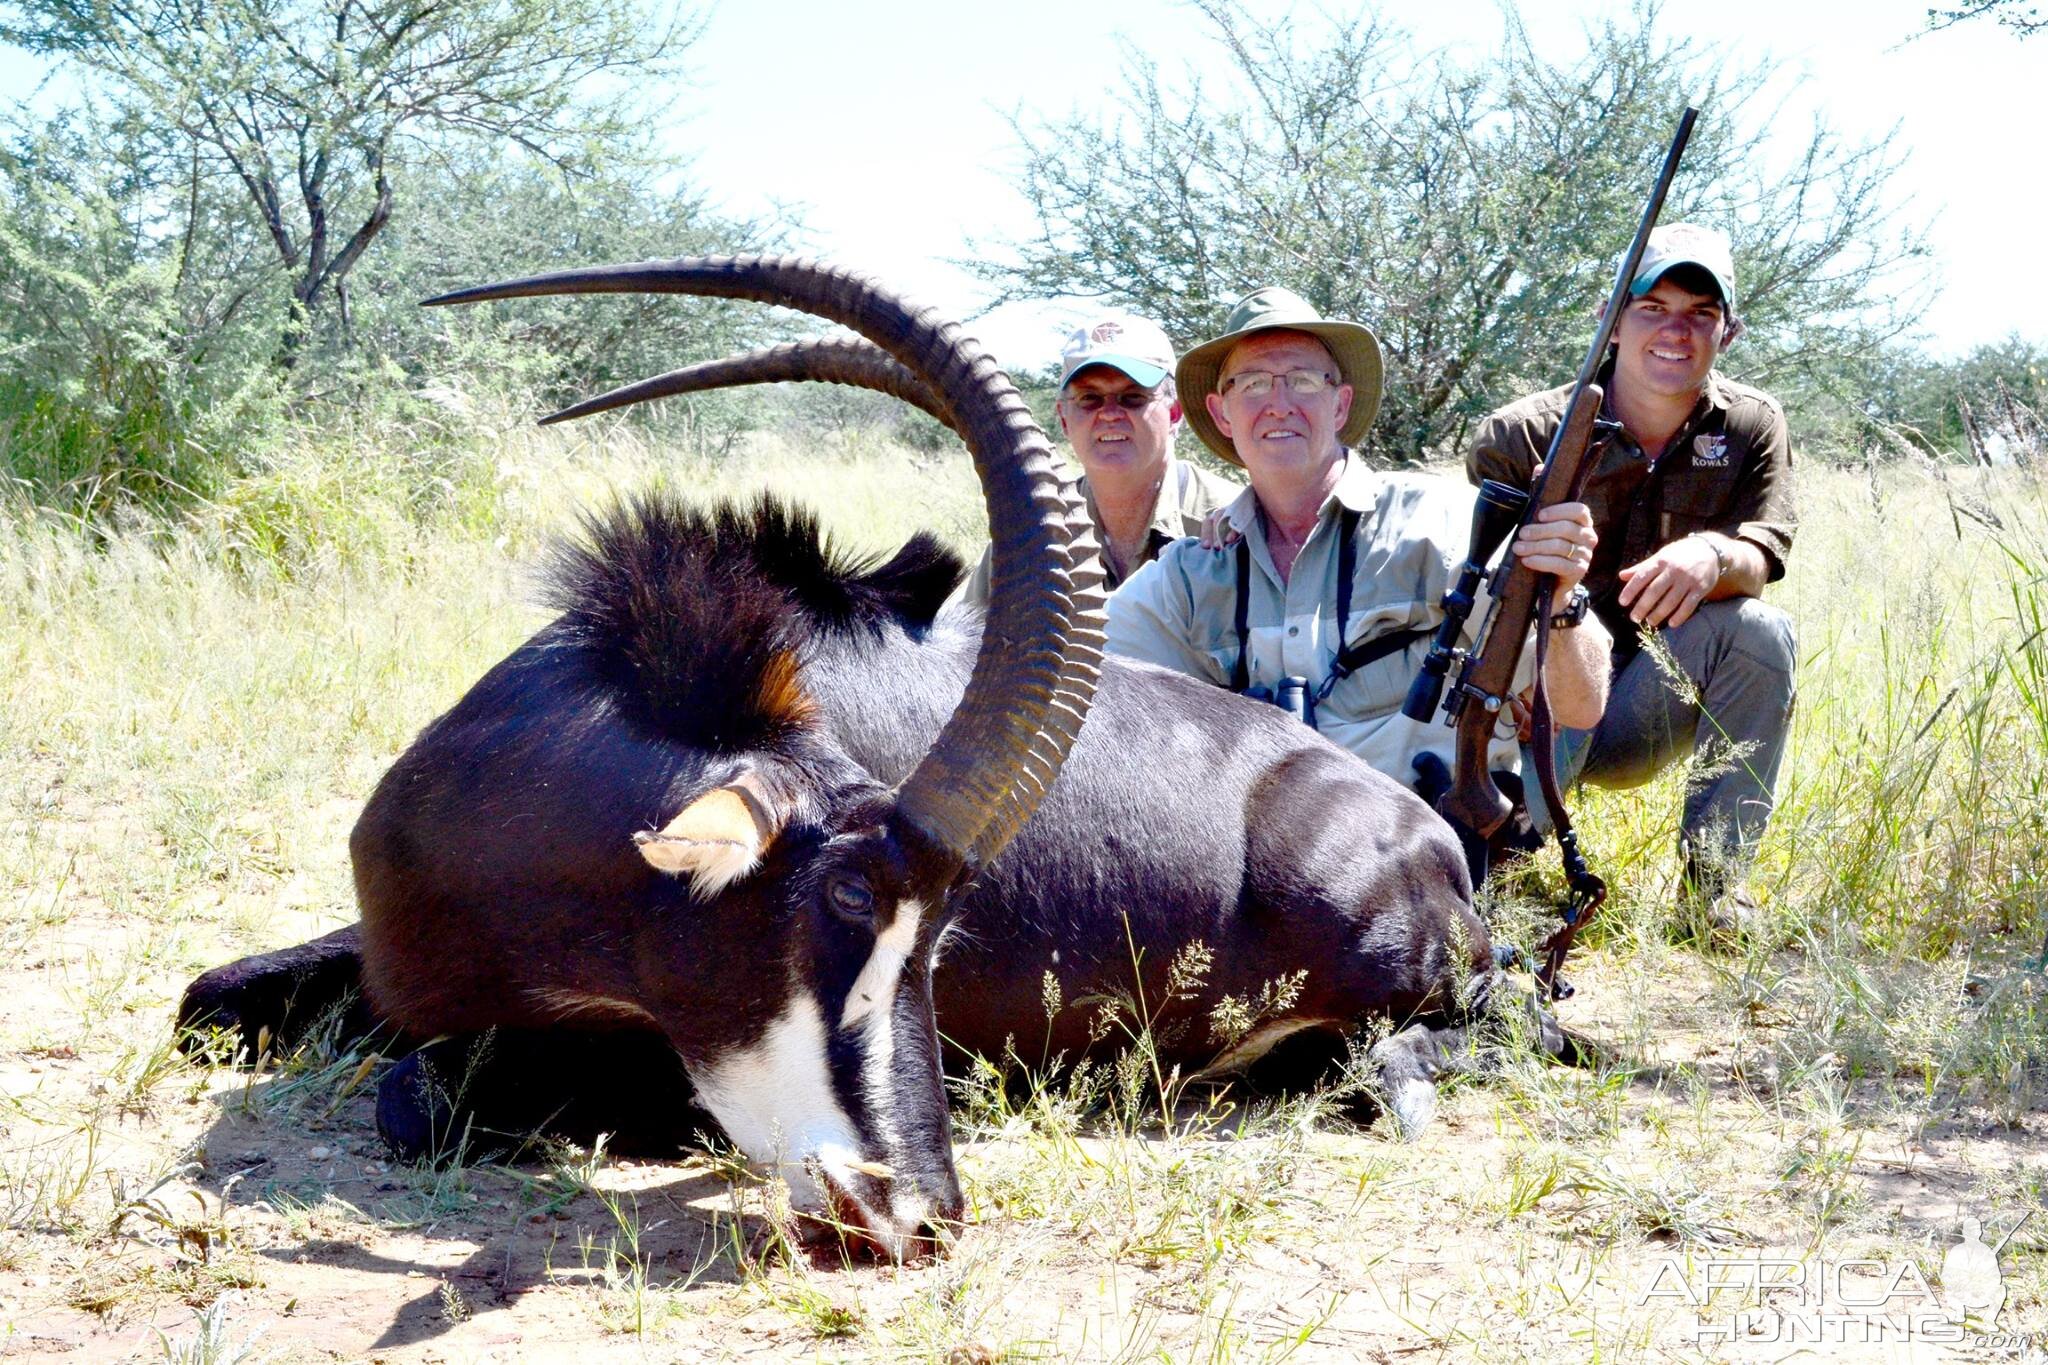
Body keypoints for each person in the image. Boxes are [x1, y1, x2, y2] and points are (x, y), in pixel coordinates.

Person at [1107, 286, 1609, 800]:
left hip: (1431, 858)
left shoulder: (1445, 525)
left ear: (1340, 403)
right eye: (1253, 384)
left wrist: (1562, 599)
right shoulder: (1192, 574)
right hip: (1262, 870)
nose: (1279, 405)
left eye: (1302, 381)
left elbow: (1581, 707)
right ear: (1221, 413)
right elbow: (1078, 679)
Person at [1466, 223, 1797, 923]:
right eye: (1652, 307)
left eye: (1701, 314)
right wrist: (1523, 673)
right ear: (1611, 320)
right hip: (1531, 703)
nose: (1676, 332)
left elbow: (1762, 555)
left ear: (1727, 333)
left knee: (1762, 632)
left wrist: (1711, 556)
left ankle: (1713, 894)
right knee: (1484, 892)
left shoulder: (1752, 425)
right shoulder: (1518, 435)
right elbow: (1470, 579)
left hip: (1639, 704)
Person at [957, 313, 1239, 604]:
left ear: (1174, 413)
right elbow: (970, 637)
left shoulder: (1232, 525)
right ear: (1064, 419)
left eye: (1133, 397)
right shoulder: (1031, 535)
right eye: (1089, 399)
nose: (1110, 413)